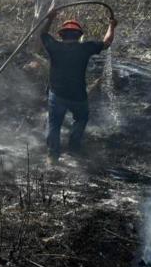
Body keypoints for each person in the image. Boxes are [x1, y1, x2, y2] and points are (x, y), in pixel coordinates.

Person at [40, 12, 117, 164]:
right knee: (81, 118)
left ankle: (52, 156)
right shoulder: (85, 48)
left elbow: (43, 34)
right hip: (78, 96)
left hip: (57, 94)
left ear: (61, 35)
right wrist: (111, 26)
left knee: (54, 123)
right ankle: (74, 150)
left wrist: (50, 18)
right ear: (79, 35)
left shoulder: (54, 46)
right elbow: (107, 42)